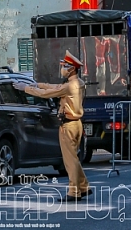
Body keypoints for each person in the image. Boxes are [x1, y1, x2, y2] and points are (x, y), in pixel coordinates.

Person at [14, 51, 91, 202]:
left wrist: (26, 88)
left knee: (70, 160)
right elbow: (54, 86)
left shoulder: (69, 86)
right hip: (77, 124)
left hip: (68, 125)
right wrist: (37, 84)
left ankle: (73, 192)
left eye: (65, 66)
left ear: (72, 69)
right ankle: (83, 186)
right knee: (73, 157)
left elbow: (48, 93)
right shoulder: (79, 83)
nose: (62, 68)